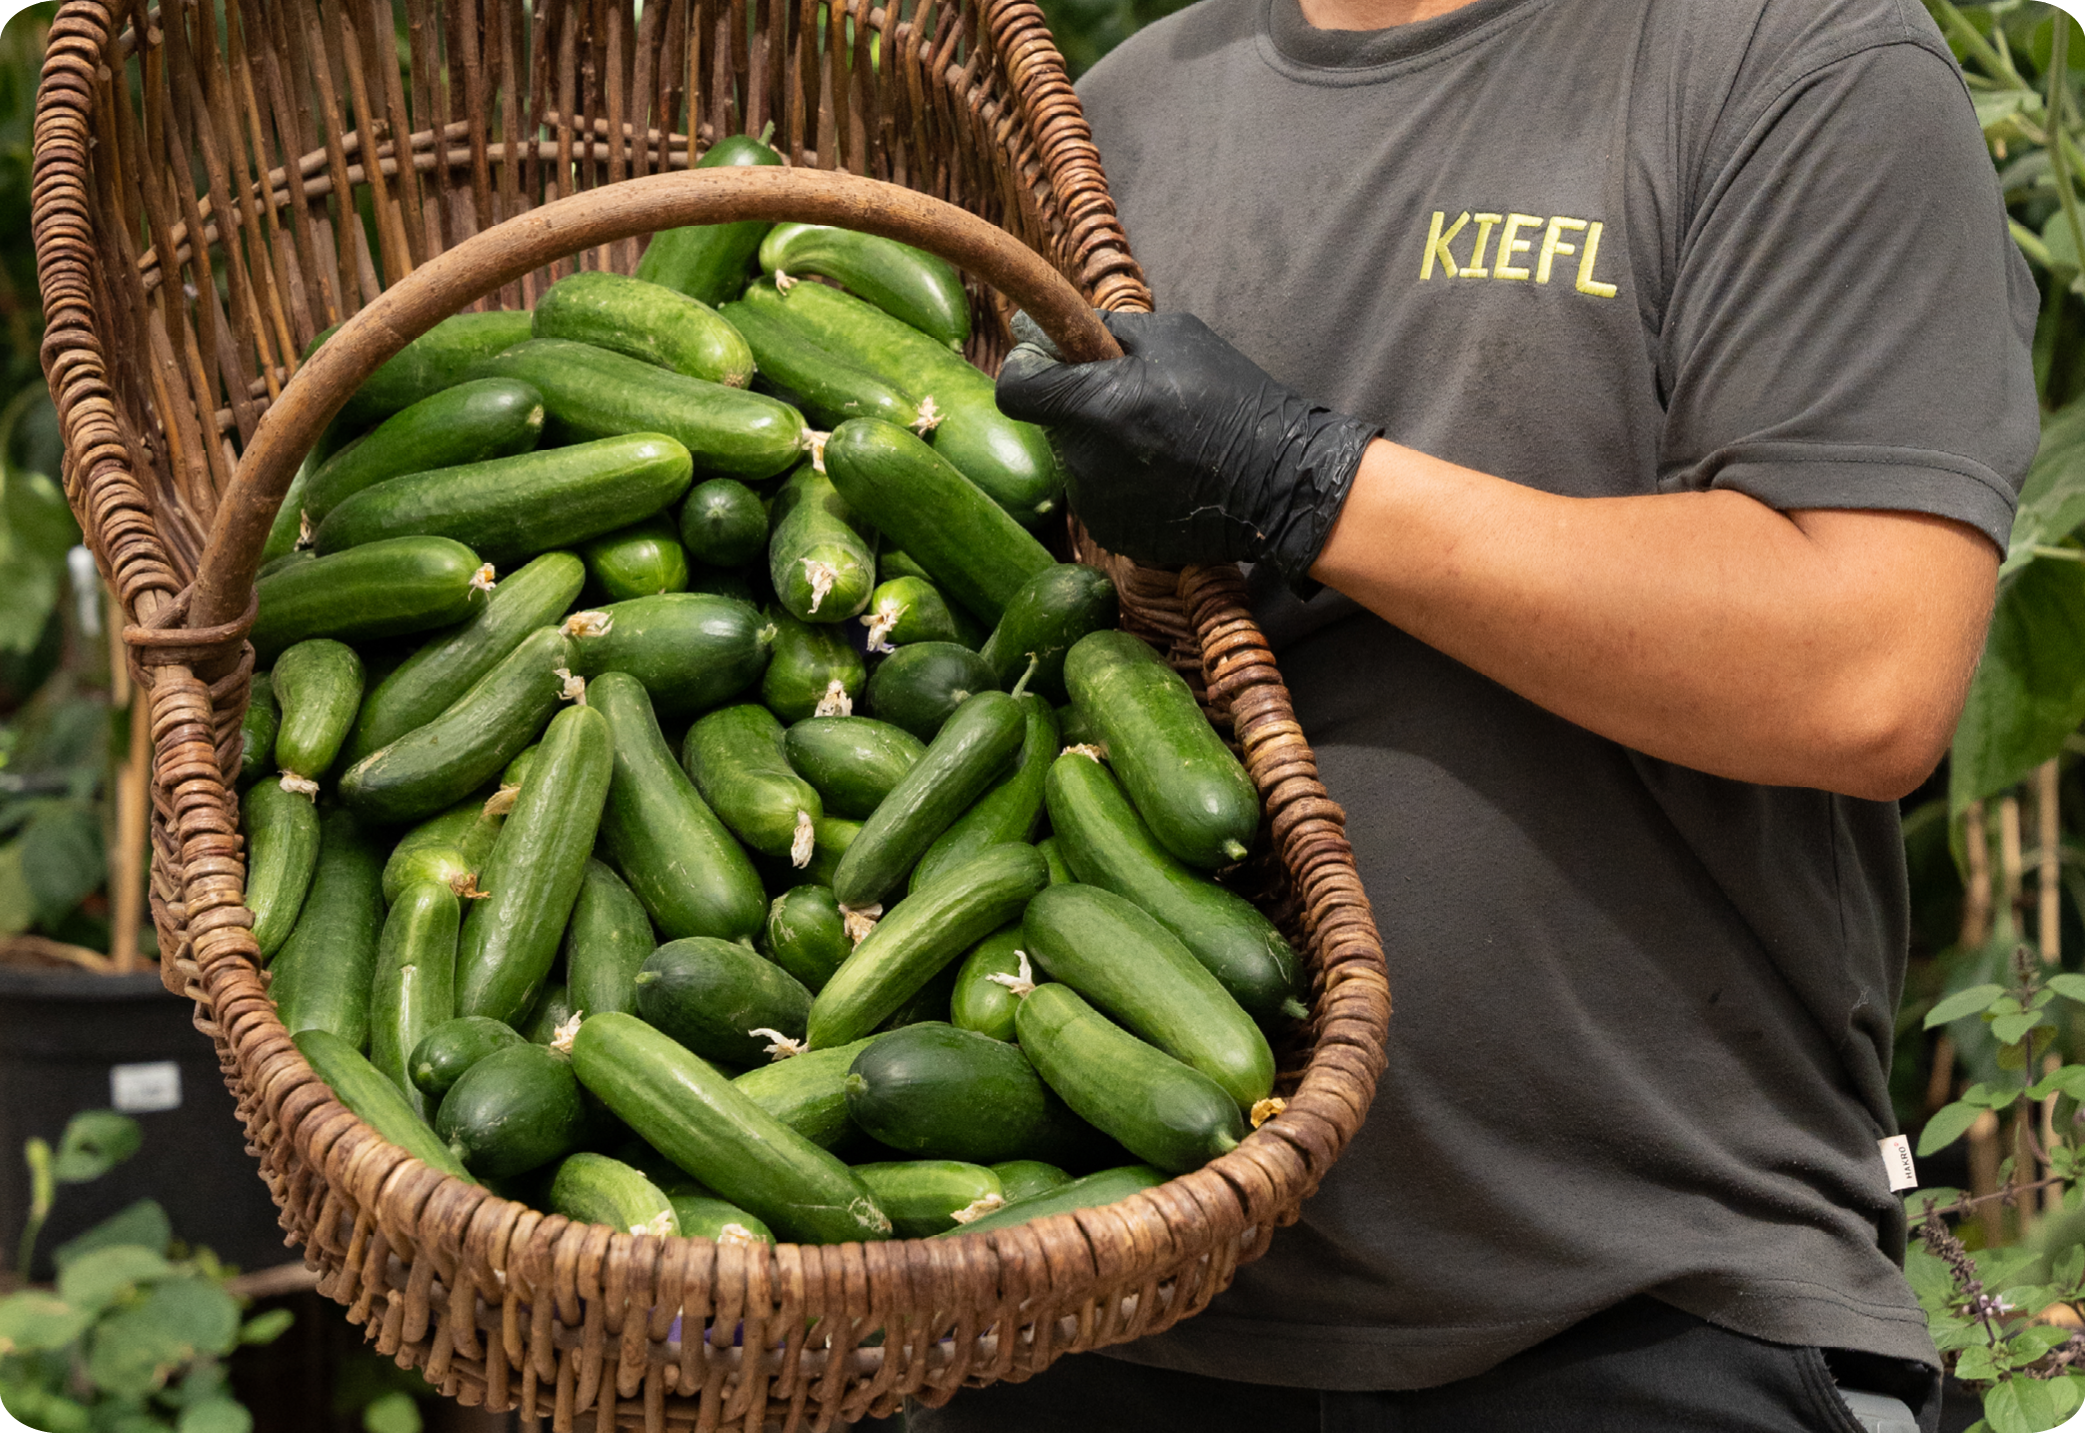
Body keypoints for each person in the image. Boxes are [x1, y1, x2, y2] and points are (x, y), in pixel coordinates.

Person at [907, 0, 2044, 1428]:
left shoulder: (1787, 55)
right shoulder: (1116, 116)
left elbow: (1863, 669)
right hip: (1091, 1299)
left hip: (1640, 1308)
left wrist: (1307, 484)